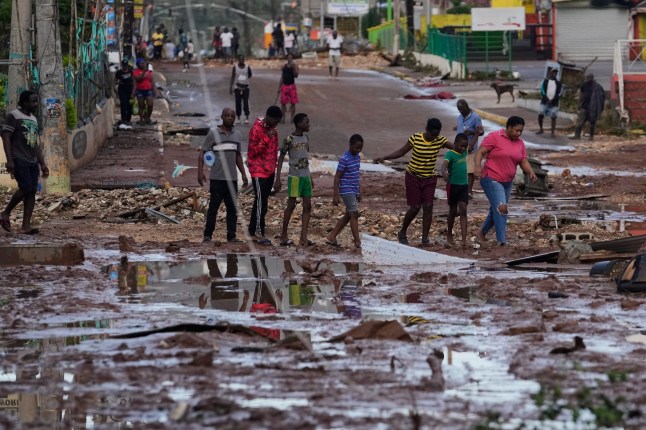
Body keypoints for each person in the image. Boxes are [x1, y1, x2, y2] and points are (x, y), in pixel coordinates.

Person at [374, 118, 452, 246]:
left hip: (429, 178)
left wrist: (467, 145)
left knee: (428, 206)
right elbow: (401, 152)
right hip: (413, 177)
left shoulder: (440, 140)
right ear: (427, 129)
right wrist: (384, 157)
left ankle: (425, 239)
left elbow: (456, 147)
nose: (434, 137)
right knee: (415, 207)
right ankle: (402, 232)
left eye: (436, 135)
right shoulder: (415, 138)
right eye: (432, 134)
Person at [474, 116, 538, 246]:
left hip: (507, 182)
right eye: (516, 130)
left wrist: (530, 172)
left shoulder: (520, 143)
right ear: (508, 127)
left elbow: (523, 160)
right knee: (502, 208)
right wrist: (477, 167)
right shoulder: (494, 137)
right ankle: (501, 242)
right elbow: (480, 152)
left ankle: (481, 234)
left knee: (496, 209)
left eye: (521, 131)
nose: (518, 133)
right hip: (491, 178)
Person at [0, 90, 49, 235]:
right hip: (19, 158)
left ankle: (26, 226)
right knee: (26, 187)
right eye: (33, 101)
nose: (35, 104)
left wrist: (42, 163)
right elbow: (6, 137)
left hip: (32, 160)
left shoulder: (33, 119)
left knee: (31, 191)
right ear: (24, 102)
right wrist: (9, 160)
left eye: (36, 101)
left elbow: (34, 144)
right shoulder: (13, 116)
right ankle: (5, 213)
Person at [198, 107, 248, 243]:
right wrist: (200, 172)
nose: (229, 118)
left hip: (232, 179)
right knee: (213, 208)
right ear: (222, 117)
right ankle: (207, 235)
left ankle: (231, 236)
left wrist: (243, 174)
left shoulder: (237, 135)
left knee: (232, 209)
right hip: (217, 178)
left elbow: (238, 156)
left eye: (232, 116)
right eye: (227, 116)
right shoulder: (213, 134)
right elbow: (202, 153)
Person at [274, 113, 314, 247]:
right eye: (306, 122)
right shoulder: (289, 139)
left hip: (305, 176)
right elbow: (280, 159)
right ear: (299, 124)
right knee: (291, 205)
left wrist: (310, 177)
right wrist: (278, 178)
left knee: (307, 206)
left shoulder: (306, 138)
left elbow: (305, 159)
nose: (308, 125)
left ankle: (303, 237)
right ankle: (283, 236)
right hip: (295, 177)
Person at [247, 106, 283, 245]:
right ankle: (259, 233)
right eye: (275, 121)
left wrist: (275, 171)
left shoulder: (274, 130)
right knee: (261, 202)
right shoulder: (256, 129)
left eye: (278, 122)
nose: (276, 124)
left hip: (269, 170)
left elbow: (274, 151)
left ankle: (252, 231)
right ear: (268, 117)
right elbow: (253, 152)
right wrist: (266, 138)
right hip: (258, 170)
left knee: (262, 201)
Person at [325, 134, 364, 249]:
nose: (358, 150)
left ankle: (332, 236)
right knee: (354, 214)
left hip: (354, 190)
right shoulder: (344, 159)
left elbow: (356, 176)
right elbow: (337, 177)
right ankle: (357, 241)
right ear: (350, 145)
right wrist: (335, 195)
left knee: (348, 215)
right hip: (346, 190)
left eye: (360, 148)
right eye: (356, 147)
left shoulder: (357, 157)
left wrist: (358, 191)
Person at [442, 133, 469, 249]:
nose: (463, 148)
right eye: (461, 146)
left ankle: (464, 240)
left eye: (465, 146)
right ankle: (449, 234)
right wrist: (444, 172)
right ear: (455, 143)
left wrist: (477, 134)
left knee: (463, 209)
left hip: (464, 185)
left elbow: (472, 144)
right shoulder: (450, 153)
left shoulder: (465, 152)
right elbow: (444, 164)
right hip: (452, 186)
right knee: (452, 211)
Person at [455, 99, 483, 198]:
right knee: (460, 170)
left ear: (466, 107)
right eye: (459, 109)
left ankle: (469, 191)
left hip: (470, 148)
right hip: (459, 149)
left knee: (470, 171)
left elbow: (481, 132)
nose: (460, 111)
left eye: (462, 109)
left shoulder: (475, 117)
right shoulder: (460, 117)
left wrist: (471, 132)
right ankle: (461, 190)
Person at [572, 73, 605, 141]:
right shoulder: (584, 85)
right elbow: (581, 94)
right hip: (584, 106)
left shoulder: (597, 87)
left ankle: (591, 136)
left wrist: (600, 107)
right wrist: (580, 104)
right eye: (588, 77)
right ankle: (577, 135)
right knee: (580, 121)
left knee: (592, 122)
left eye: (590, 77)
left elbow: (602, 97)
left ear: (593, 78)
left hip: (593, 107)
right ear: (586, 78)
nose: (589, 79)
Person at [537, 68, 563, 137]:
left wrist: (553, 100)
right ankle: (541, 129)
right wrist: (547, 99)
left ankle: (552, 132)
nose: (555, 74)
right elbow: (542, 90)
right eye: (553, 72)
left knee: (553, 116)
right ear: (550, 73)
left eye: (556, 72)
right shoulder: (545, 81)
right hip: (544, 101)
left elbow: (559, 93)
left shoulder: (559, 83)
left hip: (554, 103)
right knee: (540, 114)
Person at [132, 58, 157, 125]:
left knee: (150, 105)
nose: (143, 64)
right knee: (141, 106)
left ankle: (147, 118)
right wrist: (143, 72)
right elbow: (138, 79)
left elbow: (152, 82)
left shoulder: (148, 72)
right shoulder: (136, 72)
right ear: (138, 65)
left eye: (144, 63)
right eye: (142, 63)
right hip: (140, 91)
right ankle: (141, 120)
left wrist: (155, 91)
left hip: (148, 90)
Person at [230, 55, 252, 124]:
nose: (242, 61)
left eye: (243, 59)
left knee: (246, 103)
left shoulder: (247, 67)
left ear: (244, 60)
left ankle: (247, 117)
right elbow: (232, 77)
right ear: (238, 60)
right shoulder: (235, 67)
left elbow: (250, 74)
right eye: (240, 59)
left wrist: (244, 78)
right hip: (237, 88)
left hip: (246, 88)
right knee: (238, 103)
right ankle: (238, 117)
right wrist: (230, 87)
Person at [278, 54, 299, 124]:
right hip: (285, 86)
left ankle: (292, 118)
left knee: (293, 103)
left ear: (293, 59)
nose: (290, 59)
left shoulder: (295, 66)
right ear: (287, 58)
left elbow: (296, 76)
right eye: (288, 57)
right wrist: (279, 87)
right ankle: (283, 118)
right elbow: (282, 77)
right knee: (283, 103)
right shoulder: (284, 66)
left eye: (291, 57)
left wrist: (294, 69)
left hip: (292, 86)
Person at [115, 59, 134, 125]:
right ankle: (124, 119)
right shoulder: (119, 72)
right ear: (122, 65)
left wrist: (134, 91)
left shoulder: (131, 71)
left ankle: (128, 119)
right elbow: (115, 81)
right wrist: (118, 82)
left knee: (130, 105)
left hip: (130, 90)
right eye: (124, 65)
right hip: (122, 90)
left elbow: (133, 80)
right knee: (123, 104)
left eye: (126, 65)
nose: (125, 67)